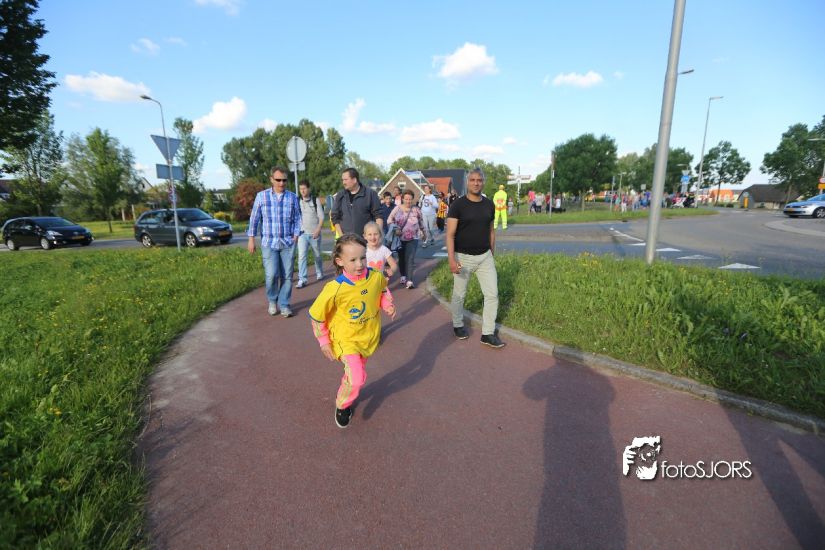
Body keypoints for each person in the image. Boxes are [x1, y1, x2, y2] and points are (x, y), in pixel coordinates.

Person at [308, 233, 397, 428]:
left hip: (368, 337)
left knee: (355, 374)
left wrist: (387, 304)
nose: (359, 264)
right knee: (357, 379)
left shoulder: (375, 276)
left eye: (363, 257)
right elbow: (316, 315)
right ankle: (343, 404)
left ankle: (348, 383)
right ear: (340, 261)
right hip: (345, 339)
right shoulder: (334, 288)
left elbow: (382, 290)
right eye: (353, 260)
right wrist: (323, 341)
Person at [446, 168, 504, 348]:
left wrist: (492, 253)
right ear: (467, 182)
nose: (476, 183)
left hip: (485, 257)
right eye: (472, 180)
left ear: (483, 182)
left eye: (479, 180)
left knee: (492, 294)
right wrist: (451, 260)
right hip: (463, 257)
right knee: (459, 294)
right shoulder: (458, 205)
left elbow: (491, 231)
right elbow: (450, 234)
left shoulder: (489, 205)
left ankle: (487, 333)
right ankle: (457, 324)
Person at [247, 166, 302, 317]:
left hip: (287, 243)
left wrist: (296, 235)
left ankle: (284, 305)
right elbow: (254, 219)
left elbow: (298, 218)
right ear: (271, 179)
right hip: (269, 243)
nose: (281, 183)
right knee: (271, 275)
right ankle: (272, 300)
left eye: (284, 180)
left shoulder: (292, 197)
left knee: (287, 276)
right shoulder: (262, 196)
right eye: (278, 180)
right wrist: (251, 239)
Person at [387, 189, 425, 289]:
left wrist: (424, 233)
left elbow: (421, 222)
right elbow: (389, 220)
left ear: (412, 199)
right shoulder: (397, 209)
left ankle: (410, 280)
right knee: (402, 258)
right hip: (400, 238)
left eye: (410, 199)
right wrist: (395, 229)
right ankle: (403, 275)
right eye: (406, 199)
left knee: (410, 258)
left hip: (413, 237)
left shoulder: (416, 209)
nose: (408, 201)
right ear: (402, 199)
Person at [331, 167, 383, 237]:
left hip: (366, 240)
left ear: (354, 180)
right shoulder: (340, 195)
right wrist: (342, 237)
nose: (343, 182)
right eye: (342, 180)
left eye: (346, 180)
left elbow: (378, 216)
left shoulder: (370, 194)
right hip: (346, 240)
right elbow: (335, 217)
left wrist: (377, 236)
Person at [296, 180, 325, 289]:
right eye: (300, 189)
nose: (302, 191)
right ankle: (302, 279)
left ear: (309, 189)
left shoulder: (315, 200)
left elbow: (321, 217)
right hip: (302, 234)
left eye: (304, 188)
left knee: (317, 255)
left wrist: (318, 230)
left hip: (314, 234)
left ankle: (319, 272)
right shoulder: (298, 201)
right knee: (302, 256)